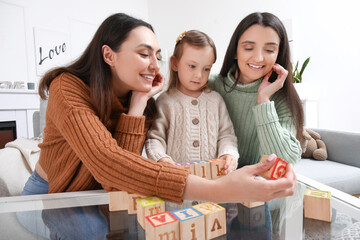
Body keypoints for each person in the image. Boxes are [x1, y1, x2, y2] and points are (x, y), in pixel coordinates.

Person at [22, 13, 296, 205]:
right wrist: (216, 189)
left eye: (157, 55)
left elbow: (121, 172)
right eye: (144, 54)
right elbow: (110, 163)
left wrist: (139, 102)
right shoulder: (67, 89)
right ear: (109, 55)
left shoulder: (146, 100)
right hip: (53, 194)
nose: (155, 65)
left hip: (105, 193)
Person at [209, 12, 303, 168]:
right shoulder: (211, 86)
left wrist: (264, 100)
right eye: (248, 48)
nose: (259, 58)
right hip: (216, 180)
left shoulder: (282, 95)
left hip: (258, 183)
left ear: (278, 54)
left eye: (269, 50)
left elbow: (285, 160)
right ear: (234, 51)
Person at [145, 30, 239, 175]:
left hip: (212, 186)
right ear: (175, 63)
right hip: (176, 186)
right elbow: (155, 138)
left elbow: (226, 136)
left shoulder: (216, 100)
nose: (199, 75)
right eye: (192, 66)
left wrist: (228, 154)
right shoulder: (165, 101)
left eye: (206, 69)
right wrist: (162, 159)